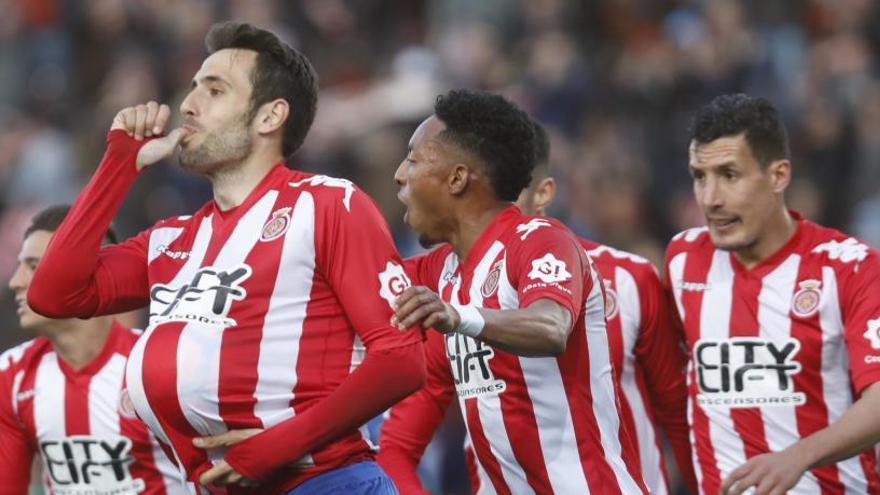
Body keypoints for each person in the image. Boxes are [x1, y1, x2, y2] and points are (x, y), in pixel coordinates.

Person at [27, 21, 425, 494]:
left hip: (324, 482)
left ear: (269, 116)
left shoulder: (327, 204)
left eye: (215, 91)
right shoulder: (173, 238)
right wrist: (119, 165)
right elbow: (54, 293)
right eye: (193, 88)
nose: (187, 105)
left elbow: (402, 362)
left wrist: (275, 448)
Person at [378, 123, 696, 494]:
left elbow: (677, 412)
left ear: (543, 193)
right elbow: (399, 441)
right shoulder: (448, 281)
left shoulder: (629, 279)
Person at [665, 93, 880, 494]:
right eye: (699, 176)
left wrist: (798, 456)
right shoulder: (683, 260)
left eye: (729, 175)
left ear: (779, 176)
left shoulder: (849, 267)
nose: (710, 198)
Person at [0, 205, 185, 495]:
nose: (15, 282)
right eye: (19, 266)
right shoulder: (11, 375)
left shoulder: (155, 363)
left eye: (34, 267)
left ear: (82, 274)